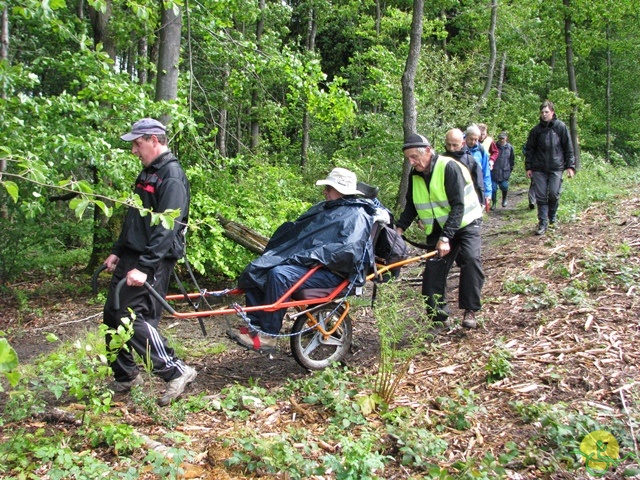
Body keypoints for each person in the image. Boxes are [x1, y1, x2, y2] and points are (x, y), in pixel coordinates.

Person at [228, 168, 377, 352]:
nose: (325, 192)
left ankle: (268, 336)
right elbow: (301, 233)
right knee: (259, 268)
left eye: (329, 188)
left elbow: (346, 251)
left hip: (333, 273)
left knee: (279, 274)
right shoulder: (327, 208)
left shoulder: (356, 215)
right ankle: (254, 326)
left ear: (342, 190)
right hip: (313, 265)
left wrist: (305, 257)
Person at [102, 118, 197, 407]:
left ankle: (177, 371)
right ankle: (126, 375)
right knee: (112, 314)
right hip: (132, 254)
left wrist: (144, 267)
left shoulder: (171, 175)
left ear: (154, 140)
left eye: (137, 143)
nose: (133, 150)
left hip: (152, 260)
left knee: (133, 318)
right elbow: (136, 216)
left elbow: (167, 227)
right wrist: (118, 249)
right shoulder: (147, 174)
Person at [396, 133, 485, 329]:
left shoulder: (449, 167)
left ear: (428, 151)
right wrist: (399, 228)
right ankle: (438, 318)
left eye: (414, 157)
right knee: (433, 271)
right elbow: (411, 205)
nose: (411, 162)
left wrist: (446, 238)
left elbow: (458, 206)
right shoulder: (416, 174)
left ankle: (470, 310)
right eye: (408, 159)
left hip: (466, 222)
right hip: (438, 227)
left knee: (470, 259)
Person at [524, 100, 576, 235]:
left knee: (553, 194)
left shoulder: (560, 127)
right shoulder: (535, 131)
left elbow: (568, 148)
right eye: (542, 112)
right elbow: (529, 150)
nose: (544, 114)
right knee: (541, 196)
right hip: (539, 168)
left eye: (546, 112)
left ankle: (552, 217)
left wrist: (570, 166)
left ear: (552, 112)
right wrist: (528, 167)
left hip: (556, 167)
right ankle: (542, 223)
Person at [445, 128, 485, 205]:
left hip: (467, 203)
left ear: (462, 144)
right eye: (448, 144)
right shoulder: (441, 159)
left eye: (455, 145)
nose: (451, 148)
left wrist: (481, 202)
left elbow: (479, 184)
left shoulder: (470, 161)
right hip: (446, 204)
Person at [465, 124, 492, 212]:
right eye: (471, 139)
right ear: (466, 137)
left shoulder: (481, 150)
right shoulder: (459, 148)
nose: (473, 142)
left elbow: (486, 172)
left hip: (477, 186)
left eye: (475, 139)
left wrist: (488, 193)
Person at [491, 132, 515, 208]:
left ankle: (504, 199)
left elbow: (512, 160)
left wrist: (509, 170)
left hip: (505, 172)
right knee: (493, 189)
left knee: (504, 187)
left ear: (506, 138)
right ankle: (494, 203)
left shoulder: (510, 147)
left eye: (503, 138)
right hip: (494, 171)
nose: (501, 140)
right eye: (500, 138)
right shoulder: (494, 146)